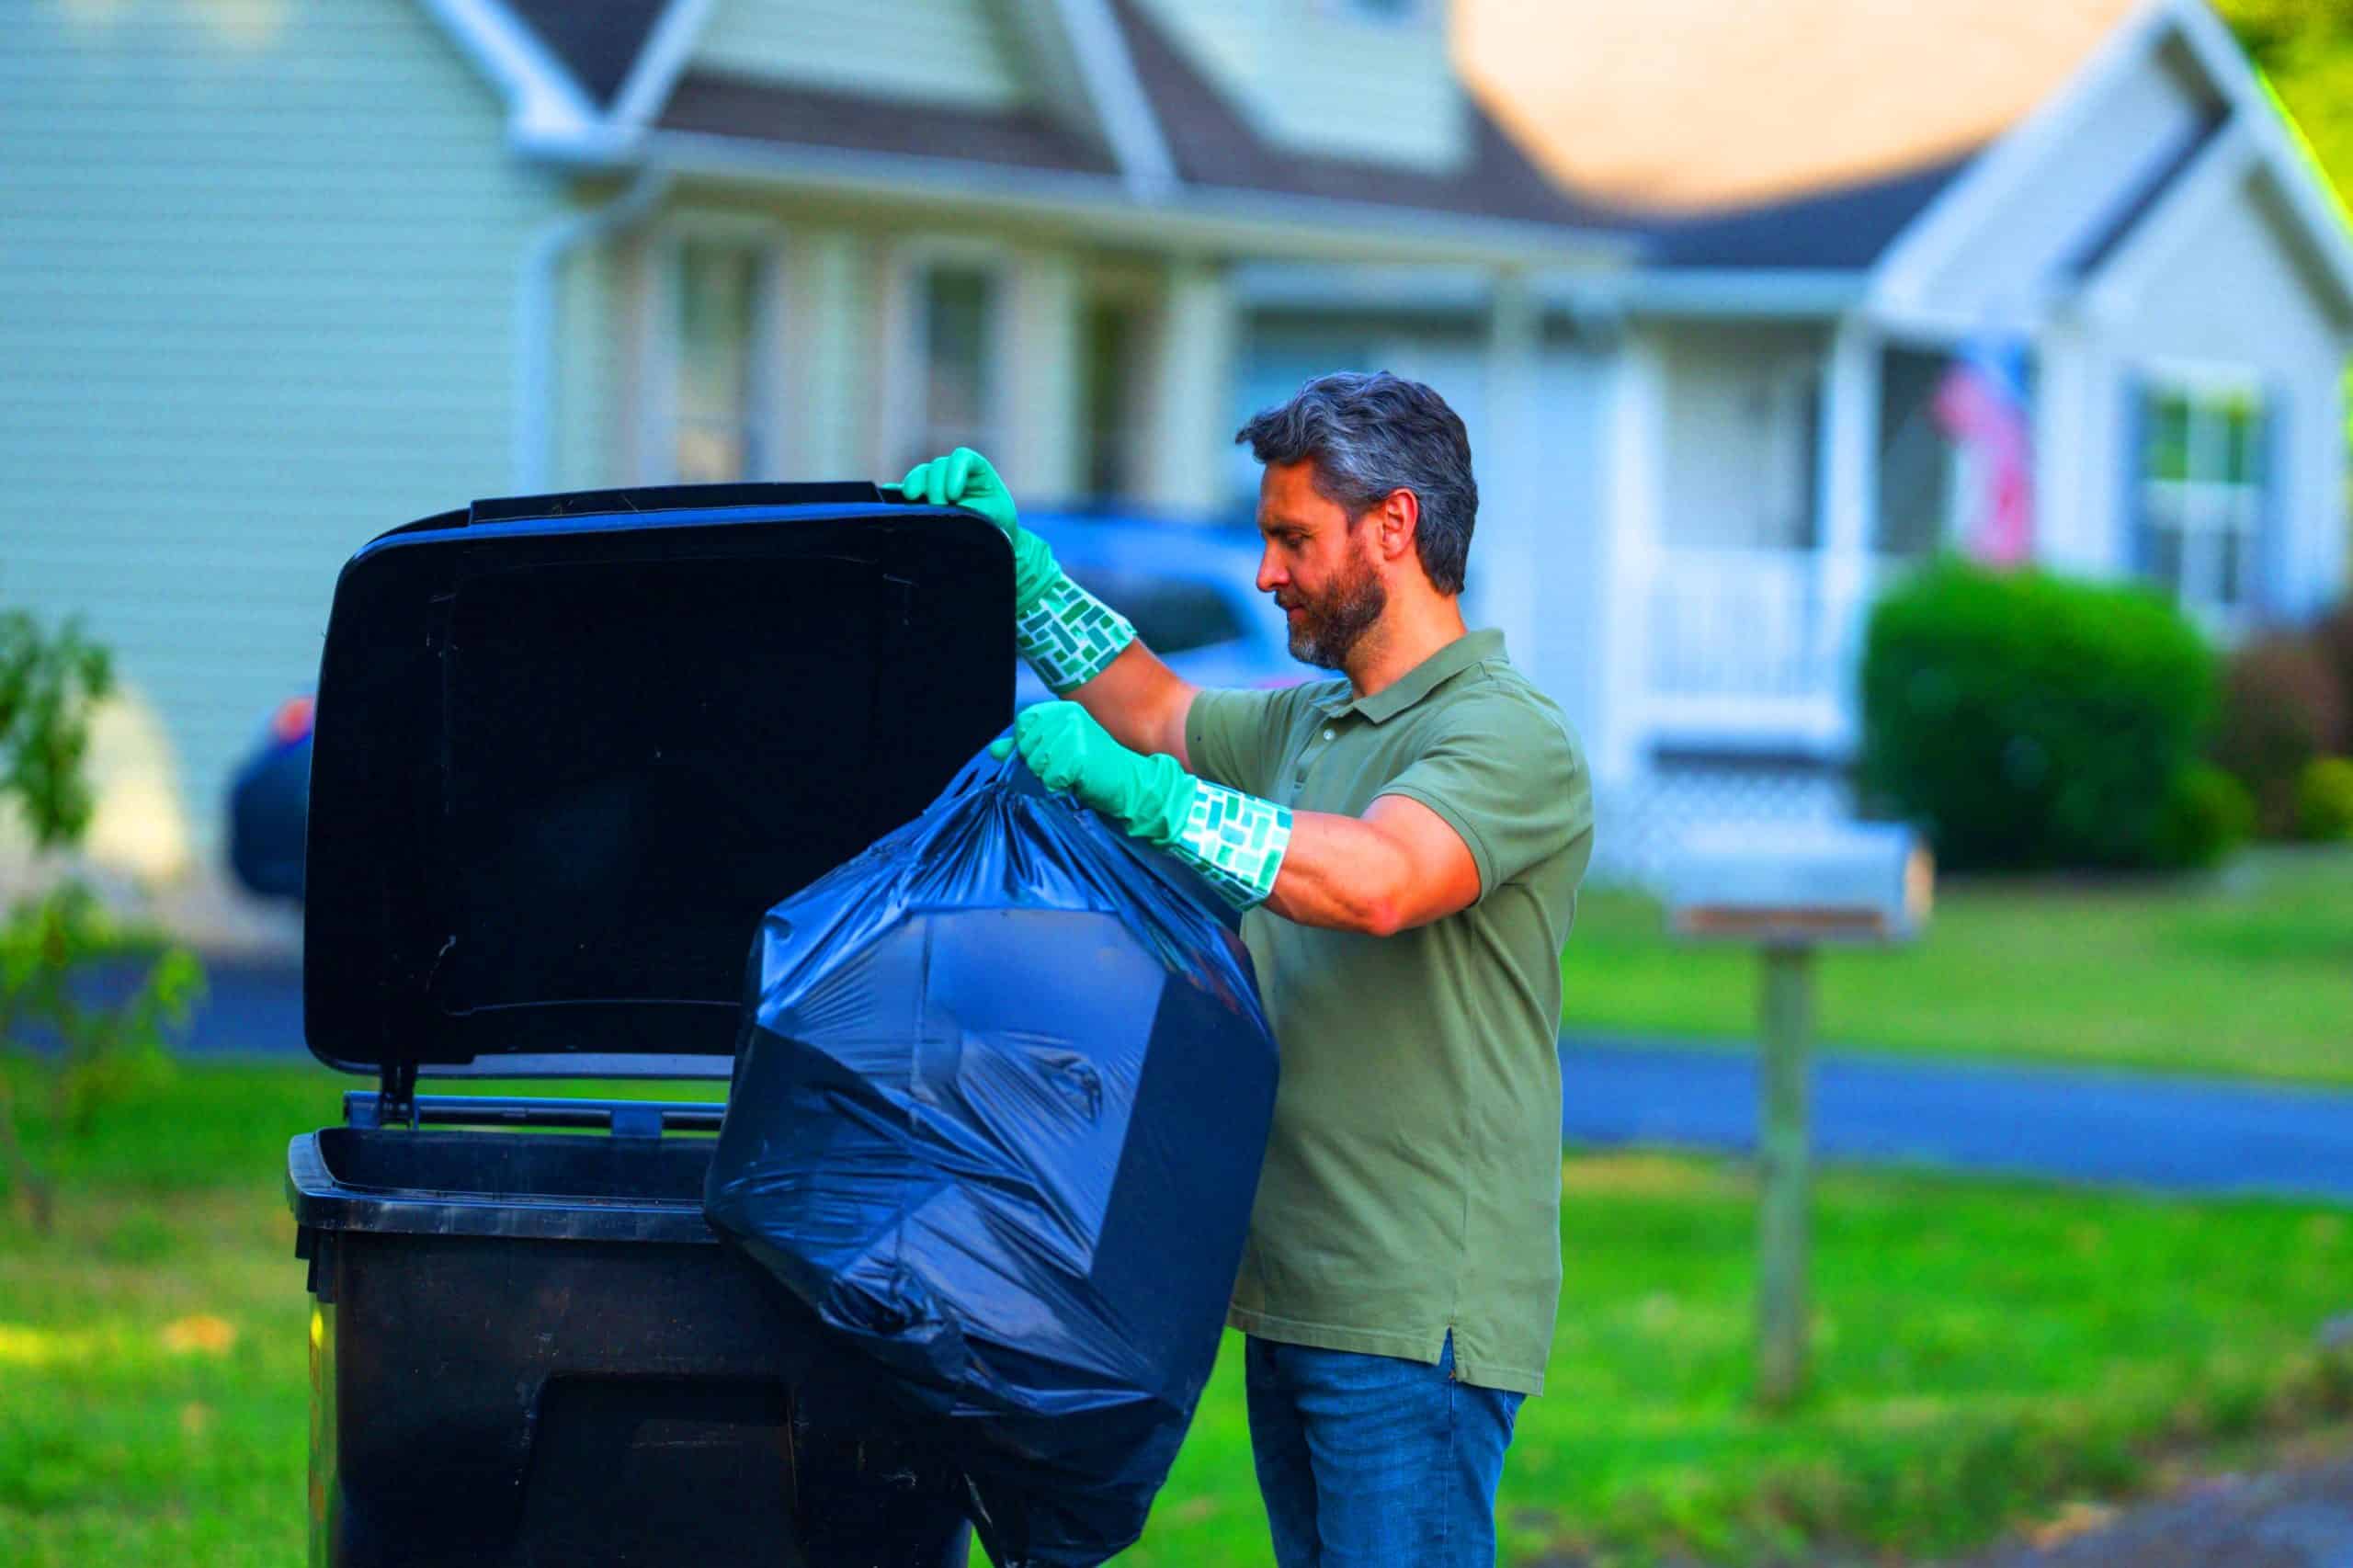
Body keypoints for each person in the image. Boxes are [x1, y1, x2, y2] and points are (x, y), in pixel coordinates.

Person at [892, 369, 1594, 1568]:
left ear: (1395, 525)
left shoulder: (1502, 731)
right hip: (1294, 1294)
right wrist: (1022, 575)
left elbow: (1378, 877)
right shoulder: (1312, 727)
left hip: (1414, 1305)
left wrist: (1160, 805)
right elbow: (1156, 711)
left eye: (1291, 538)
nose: (1267, 571)